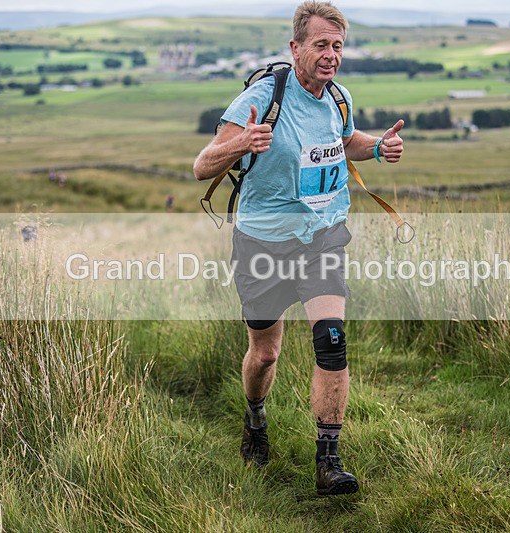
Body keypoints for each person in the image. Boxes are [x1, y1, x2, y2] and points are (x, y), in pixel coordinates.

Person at [193, 0, 404, 496]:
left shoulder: (338, 97)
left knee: (331, 340)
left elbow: (342, 141)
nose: (331, 55)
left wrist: (377, 147)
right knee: (265, 354)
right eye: (321, 45)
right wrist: (242, 142)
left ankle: (328, 460)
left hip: (322, 238)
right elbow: (202, 166)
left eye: (338, 46)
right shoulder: (264, 96)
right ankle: (256, 417)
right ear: (295, 47)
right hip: (263, 243)